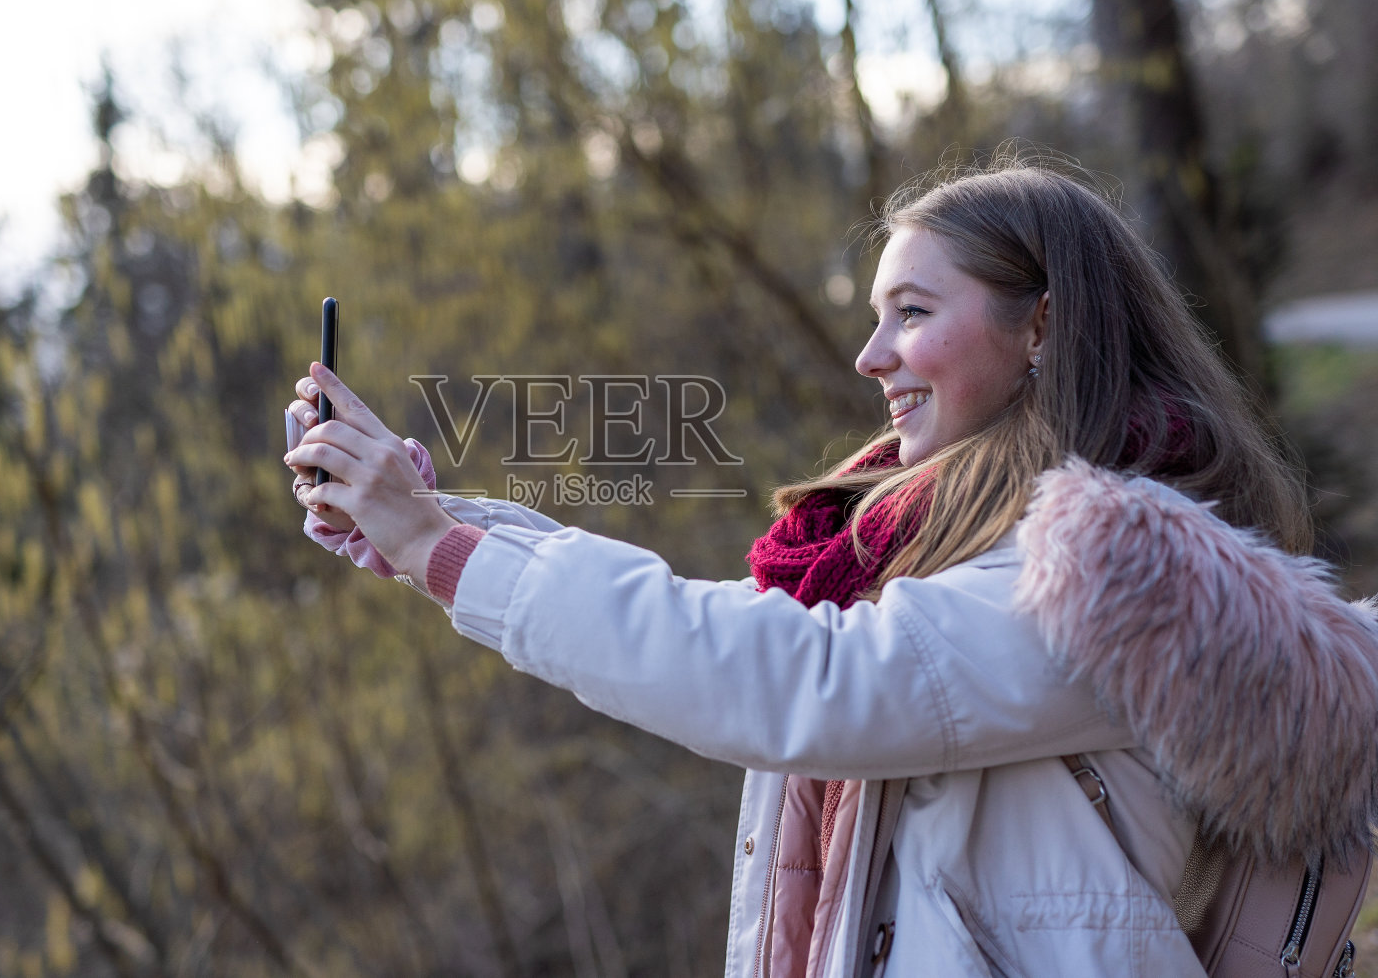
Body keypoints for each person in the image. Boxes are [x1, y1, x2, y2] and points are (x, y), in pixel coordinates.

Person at [282, 159, 1378, 977]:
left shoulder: (1120, 577)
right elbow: (742, 628)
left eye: (913, 313)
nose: (869, 356)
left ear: (1041, 323)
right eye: (874, 317)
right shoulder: (934, 542)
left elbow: (796, 678)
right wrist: (430, 524)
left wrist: (437, 547)